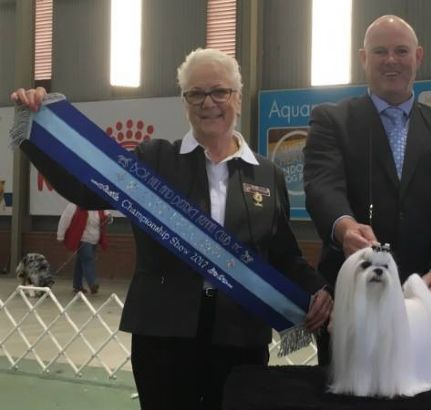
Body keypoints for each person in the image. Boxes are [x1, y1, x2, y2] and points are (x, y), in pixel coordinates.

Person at [11, 48, 332, 410]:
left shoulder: (267, 173)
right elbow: (86, 191)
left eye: (219, 91)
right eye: (196, 93)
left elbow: (283, 254)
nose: (208, 102)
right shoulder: (153, 159)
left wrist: (318, 290)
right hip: (163, 333)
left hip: (240, 335)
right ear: (184, 102)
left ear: (238, 99)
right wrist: (37, 130)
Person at [303, 15, 431, 364]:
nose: (391, 60)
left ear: (418, 56)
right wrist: (345, 227)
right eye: (380, 51)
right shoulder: (331, 120)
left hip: (426, 304)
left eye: (401, 51)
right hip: (351, 301)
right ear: (363, 58)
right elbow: (322, 185)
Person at [56, 202, 111, 294]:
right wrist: (60, 235)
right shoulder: (74, 204)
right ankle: (92, 283)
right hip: (83, 239)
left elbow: (107, 215)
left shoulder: (98, 204)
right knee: (88, 259)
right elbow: (65, 219)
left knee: (81, 262)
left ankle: (77, 285)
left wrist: (109, 218)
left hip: (94, 239)